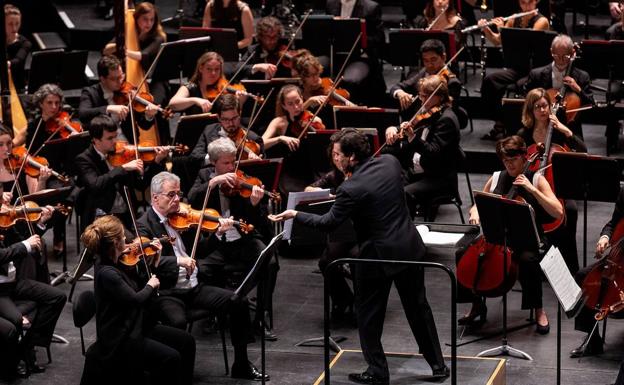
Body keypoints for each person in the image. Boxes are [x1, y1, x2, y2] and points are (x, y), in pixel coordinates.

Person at [269, 129, 450, 384]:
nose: (334, 159)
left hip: (376, 257)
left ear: (352, 156)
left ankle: (377, 371)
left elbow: (329, 222)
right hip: (408, 246)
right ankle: (438, 365)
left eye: (337, 155)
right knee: (419, 308)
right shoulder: (389, 163)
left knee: (369, 315)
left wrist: (296, 215)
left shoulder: (350, 188)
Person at [136, 171, 270, 380]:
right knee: (177, 322)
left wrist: (218, 234)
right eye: (171, 195)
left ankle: (241, 364)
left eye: (178, 194)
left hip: (194, 288)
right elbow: (146, 261)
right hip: (168, 292)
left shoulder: (183, 218)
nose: (177, 200)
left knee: (238, 302)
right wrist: (179, 261)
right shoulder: (144, 225)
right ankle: (174, 374)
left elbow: (201, 251)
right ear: (155, 197)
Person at [460, 135, 563, 334]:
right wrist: (475, 212)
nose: (509, 164)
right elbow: (478, 202)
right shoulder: (497, 176)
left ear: (524, 157)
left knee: (528, 260)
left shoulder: (536, 178)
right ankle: (476, 304)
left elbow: (557, 211)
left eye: (513, 160)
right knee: (463, 252)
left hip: (527, 239)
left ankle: (539, 310)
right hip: (497, 238)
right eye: (505, 160)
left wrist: (533, 190)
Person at [79, 215, 196, 385]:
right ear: (115, 243)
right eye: (122, 237)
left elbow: (136, 286)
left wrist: (154, 264)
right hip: (121, 337)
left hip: (137, 324)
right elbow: (135, 299)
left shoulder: (118, 262)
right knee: (171, 358)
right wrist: (150, 285)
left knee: (187, 341)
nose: (127, 239)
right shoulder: (107, 272)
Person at [187, 138, 278, 340]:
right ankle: (214, 312)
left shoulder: (243, 180)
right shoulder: (204, 176)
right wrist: (213, 183)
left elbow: (259, 223)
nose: (231, 168)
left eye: (233, 162)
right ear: (214, 162)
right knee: (200, 268)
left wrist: (254, 204)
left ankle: (260, 317)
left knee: (270, 264)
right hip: (217, 243)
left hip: (244, 240)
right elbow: (191, 198)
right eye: (226, 163)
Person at [516, 88, 585, 275]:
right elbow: (516, 159)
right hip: (533, 186)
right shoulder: (524, 133)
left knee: (569, 210)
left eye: (545, 106)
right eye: (537, 107)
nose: (542, 110)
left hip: (559, 186)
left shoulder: (558, 131)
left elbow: (582, 149)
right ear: (530, 110)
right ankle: (534, 265)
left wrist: (566, 130)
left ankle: (571, 268)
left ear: (550, 106)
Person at [0, 182, 65, 380]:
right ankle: (18, 360)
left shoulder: (5, 219)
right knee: (17, 322)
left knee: (57, 297)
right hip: (0, 290)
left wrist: (40, 223)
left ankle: (29, 345)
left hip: (13, 282)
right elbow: (5, 253)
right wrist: (24, 245)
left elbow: (26, 239)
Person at [385, 75, 461, 219]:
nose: (421, 99)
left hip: (438, 178)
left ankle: (407, 233)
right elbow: (414, 126)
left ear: (439, 97)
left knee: (405, 193)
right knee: (389, 185)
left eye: (425, 96)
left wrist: (413, 137)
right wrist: (394, 128)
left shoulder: (446, 120)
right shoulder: (429, 113)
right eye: (420, 95)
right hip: (419, 172)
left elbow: (433, 152)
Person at [75, 114, 167, 232]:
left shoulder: (123, 155)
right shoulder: (84, 159)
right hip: (101, 217)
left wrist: (156, 161)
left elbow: (141, 185)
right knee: (128, 243)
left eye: (115, 136)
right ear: (95, 140)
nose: (115, 141)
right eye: (109, 138)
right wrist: (122, 168)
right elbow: (95, 185)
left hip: (127, 215)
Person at [304, 131, 356, 323]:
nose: (335, 158)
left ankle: (362, 304)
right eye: (333, 154)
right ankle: (343, 299)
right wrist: (326, 194)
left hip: (365, 231)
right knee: (326, 262)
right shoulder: (335, 175)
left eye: (338, 154)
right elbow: (309, 189)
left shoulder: (361, 173)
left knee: (358, 259)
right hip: (343, 230)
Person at [479, 0, 550, 140]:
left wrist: (502, 30)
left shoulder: (542, 21)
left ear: (536, 2)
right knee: (490, 81)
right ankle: (499, 122)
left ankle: (516, 127)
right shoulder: (513, 19)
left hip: (535, 69)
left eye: (529, 3)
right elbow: (497, 41)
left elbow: (528, 40)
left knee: (519, 86)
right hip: (517, 67)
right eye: (523, 3)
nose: (526, 7)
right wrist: (485, 29)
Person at [568, 187, 624, 359]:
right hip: (619, 258)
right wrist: (605, 237)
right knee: (583, 276)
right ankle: (593, 340)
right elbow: (613, 223)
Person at [103, 2, 170, 144]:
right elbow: (106, 49)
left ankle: (162, 142)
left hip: (157, 79)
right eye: (145, 19)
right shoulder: (130, 33)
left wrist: (124, 50)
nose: (149, 23)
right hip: (137, 77)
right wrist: (119, 44)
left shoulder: (159, 37)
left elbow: (143, 55)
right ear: (136, 19)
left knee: (154, 103)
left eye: (152, 20)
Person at [522, 34, 593, 139]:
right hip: (540, 125)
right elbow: (527, 100)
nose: (560, 60)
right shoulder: (536, 75)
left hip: (569, 127)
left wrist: (578, 89)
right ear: (551, 51)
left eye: (565, 56)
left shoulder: (582, 77)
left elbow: (591, 105)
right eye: (556, 56)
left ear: (572, 53)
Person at [78, 55, 159, 144]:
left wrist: (149, 116)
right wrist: (108, 108)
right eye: (114, 79)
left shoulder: (128, 94)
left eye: (121, 76)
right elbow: (83, 114)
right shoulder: (90, 93)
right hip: (104, 147)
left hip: (129, 144)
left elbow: (144, 125)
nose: (120, 81)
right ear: (103, 79)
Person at [262, 84, 322, 193]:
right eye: (290, 104)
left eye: (298, 101)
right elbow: (261, 143)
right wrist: (280, 138)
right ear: (284, 106)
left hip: (311, 171)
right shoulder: (279, 122)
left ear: (302, 99)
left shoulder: (314, 119)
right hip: (290, 174)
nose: (296, 107)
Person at [325, 0, 387, 106]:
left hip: (360, 57)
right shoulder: (331, 4)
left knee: (350, 80)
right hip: (335, 55)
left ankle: (347, 112)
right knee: (314, 69)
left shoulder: (371, 7)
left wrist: (352, 32)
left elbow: (379, 38)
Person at [388, 39, 463, 122]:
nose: (429, 65)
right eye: (426, 60)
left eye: (433, 59)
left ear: (444, 57)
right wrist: (400, 93)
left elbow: (447, 112)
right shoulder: (424, 72)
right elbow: (398, 86)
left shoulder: (452, 82)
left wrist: (418, 121)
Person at [189, 93, 263, 166]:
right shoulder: (209, 130)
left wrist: (253, 164)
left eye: (234, 118)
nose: (231, 123)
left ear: (240, 114)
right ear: (218, 118)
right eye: (225, 119)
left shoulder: (254, 138)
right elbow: (194, 158)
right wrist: (216, 158)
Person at [168, 51, 247, 116]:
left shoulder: (223, 88)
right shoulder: (190, 87)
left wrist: (240, 102)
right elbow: (173, 104)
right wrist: (195, 100)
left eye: (217, 69)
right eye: (209, 69)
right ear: (201, 68)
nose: (213, 73)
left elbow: (232, 118)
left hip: (217, 131)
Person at [4, 4, 31, 91]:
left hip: (17, 87)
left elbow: (18, 60)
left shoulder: (25, 43)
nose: (14, 28)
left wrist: (7, 64)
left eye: (17, 23)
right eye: (10, 24)